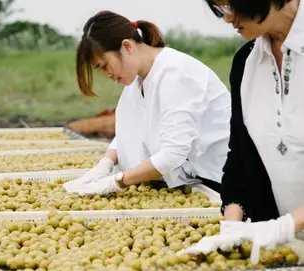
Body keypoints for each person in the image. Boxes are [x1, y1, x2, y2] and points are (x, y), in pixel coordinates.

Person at [181, 0, 304, 264]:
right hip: (291, 248)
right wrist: (233, 225)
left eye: (229, 4)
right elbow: (240, 154)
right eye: (219, 8)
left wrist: (285, 226)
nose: (227, 18)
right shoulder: (247, 62)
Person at [64, 11, 231, 196]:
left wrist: (117, 181)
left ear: (127, 47)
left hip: (217, 183)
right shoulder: (138, 81)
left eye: (104, 65)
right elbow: (129, 131)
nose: (106, 75)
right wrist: (106, 163)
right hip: (187, 183)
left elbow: (173, 153)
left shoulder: (175, 74)